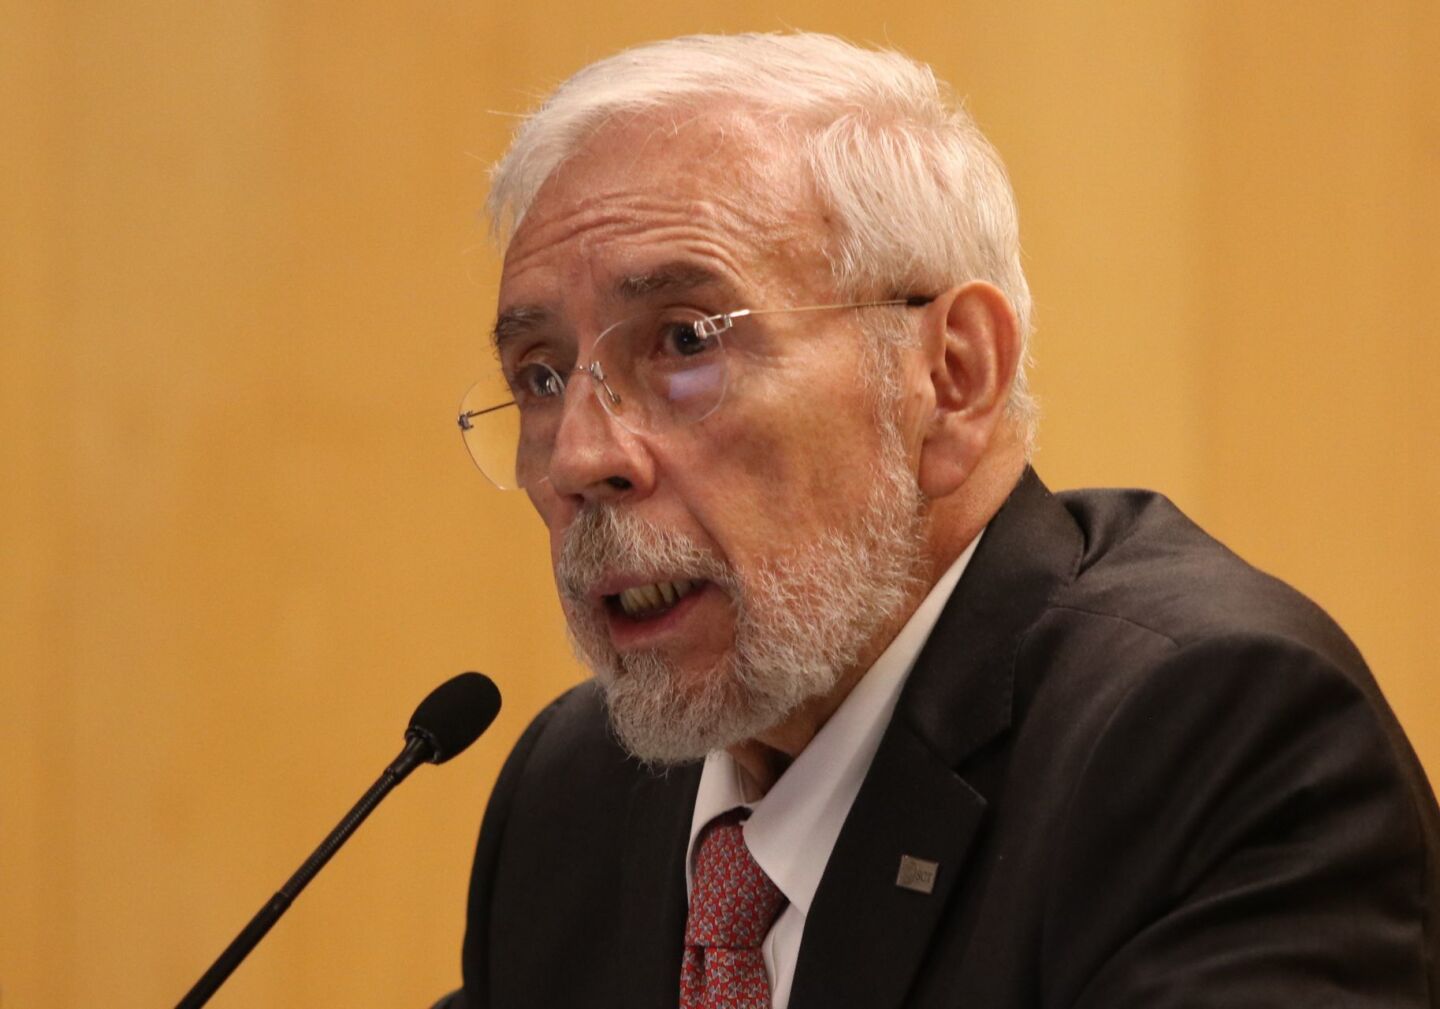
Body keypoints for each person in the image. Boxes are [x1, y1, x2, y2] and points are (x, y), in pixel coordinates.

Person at [446, 32, 1440, 1009]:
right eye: (538, 376)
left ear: (951, 377)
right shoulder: (573, 797)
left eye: (685, 340)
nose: (579, 456)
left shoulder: (1206, 738)